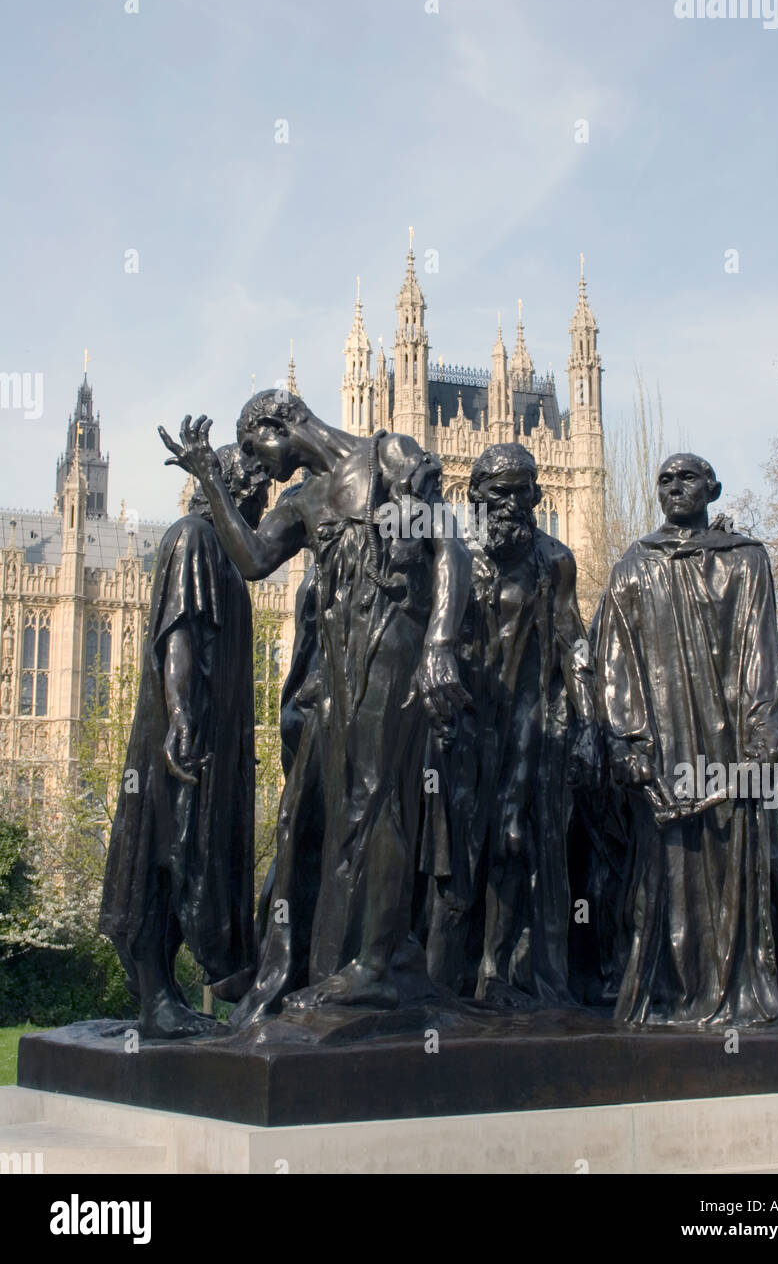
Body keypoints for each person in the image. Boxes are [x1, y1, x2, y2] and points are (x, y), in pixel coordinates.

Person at [159, 394, 470, 1019]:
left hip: (395, 646)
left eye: (256, 449)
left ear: (283, 423)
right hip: (337, 665)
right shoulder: (301, 501)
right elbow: (252, 559)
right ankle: (323, 957)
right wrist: (210, 481)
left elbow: (450, 552)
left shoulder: (389, 455)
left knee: (378, 796)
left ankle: (377, 965)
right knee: (318, 810)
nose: (259, 466)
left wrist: (440, 643)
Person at [594, 452, 778, 1027]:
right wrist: (627, 743)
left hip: (736, 746)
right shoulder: (632, 567)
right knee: (664, 875)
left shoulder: (745, 559)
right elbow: (614, 663)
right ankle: (673, 991)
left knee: (767, 859)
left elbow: (759, 647)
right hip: (666, 748)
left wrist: (766, 723)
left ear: (712, 489)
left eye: (687, 478)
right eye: (664, 480)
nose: (674, 488)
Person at [100, 444, 270, 1037]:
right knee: (164, 851)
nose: (264, 502)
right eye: (257, 491)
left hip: (209, 737)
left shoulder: (227, 558)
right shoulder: (193, 538)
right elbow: (179, 635)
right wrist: (179, 719)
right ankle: (154, 995)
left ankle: (168, 992)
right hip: (182, 736)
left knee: (195, 852)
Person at [423, 443, 600, 1007]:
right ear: (473, 494)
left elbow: (574, 644)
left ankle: (498, 975)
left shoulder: (554, 560)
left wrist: (591, 724)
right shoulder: (451, 557)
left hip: (524, 724)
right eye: (500, 491)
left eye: (525, 491)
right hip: (461, 728)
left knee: (512, 843)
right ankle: (438, 986)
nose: (513, 502)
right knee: (453, 861)